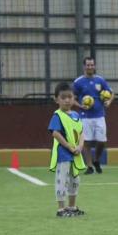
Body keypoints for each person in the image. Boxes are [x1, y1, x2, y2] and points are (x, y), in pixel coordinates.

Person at [48, 82, 87, 217]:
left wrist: (80, 146)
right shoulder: (57, 115)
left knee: (75, 180)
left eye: (70, 97)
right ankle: (61, 208)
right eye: (63, 97)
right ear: (56, 99)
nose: (67, 100)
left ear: (74, 98)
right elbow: (56, 133)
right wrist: (69, 146)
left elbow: (81, 132)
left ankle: (72, 206)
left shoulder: (76, 115)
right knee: (62, 179)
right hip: (63, 154)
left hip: (75, 153)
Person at [73, 57, 114, 174]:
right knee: (87, 142)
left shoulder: (100, 80)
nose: (90, 67)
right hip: (85, 117)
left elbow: (111, 93)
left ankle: (96, 160)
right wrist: (81, 106)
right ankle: (89, 166)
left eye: (92, 65)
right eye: (88, 65)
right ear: (84, 67)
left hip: (99, 115)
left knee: (101, 141)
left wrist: (109, 101)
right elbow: (73, 99)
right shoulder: (78, 82)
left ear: (94, 66)